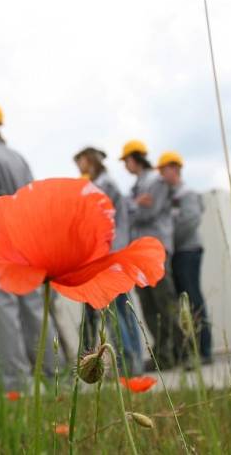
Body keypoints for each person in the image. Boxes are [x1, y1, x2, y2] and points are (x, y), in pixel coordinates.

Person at [0, 101, 55, 391]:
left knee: (4, 310)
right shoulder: (18, 157)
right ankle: (53, 376)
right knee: (34, 309)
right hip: (27, 240)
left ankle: (18, 383)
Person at [74, 146, 143, 374]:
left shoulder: (102, 186)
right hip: (116, 253)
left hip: (107, 255)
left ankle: (127, 361)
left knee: (113, 310)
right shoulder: (110, 184)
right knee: (124, 308)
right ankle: (135, 361)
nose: (79, 167)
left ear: (89, 160)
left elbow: (97, 221)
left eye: (81, 162)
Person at [121, 139, 185, 370]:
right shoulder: (135, 188)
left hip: (156, 249)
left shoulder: (156, 182)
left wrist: (131, 207)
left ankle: (180, 351)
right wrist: (134, 204)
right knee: (147, 304)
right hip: (138, 252)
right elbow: (130, 212)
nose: (125, 165)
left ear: (135, 158)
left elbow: (148, 213)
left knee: (164, 301)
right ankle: (162, 353)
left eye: (126, 160)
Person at [157, 151, 212, 364]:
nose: (162, 175)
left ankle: (204, 351)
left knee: (193, 299)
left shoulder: (186, 193)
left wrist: (169, 243)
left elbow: (190, 221)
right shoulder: (168, 198)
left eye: (164, 170)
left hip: (187, 251)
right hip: (177, 254)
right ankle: (191, 351)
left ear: (175, 168)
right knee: (182, 303)